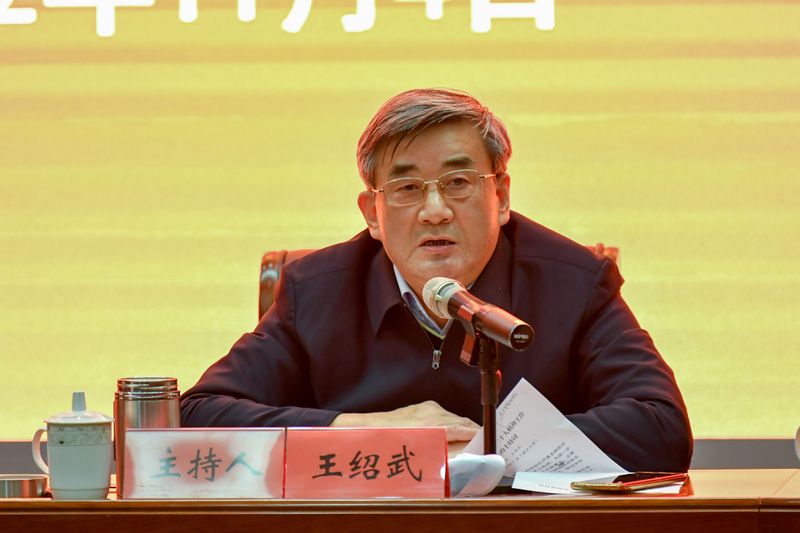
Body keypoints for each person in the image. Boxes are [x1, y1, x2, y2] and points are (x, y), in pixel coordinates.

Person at [180, 88, 693, 472]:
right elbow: (199, 416)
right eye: (407, 188)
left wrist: (484, 450)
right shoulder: (316, 290)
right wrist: (369, 431)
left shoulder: (573, 282)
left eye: (458, 182)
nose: (434, 210)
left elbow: (660, 429)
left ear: (501, 196)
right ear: (373, 213)